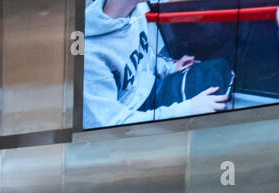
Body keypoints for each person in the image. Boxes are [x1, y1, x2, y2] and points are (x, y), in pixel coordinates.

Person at [84, 0, 232, 128]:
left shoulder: (134, 15)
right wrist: (187, 110)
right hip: (136, 111)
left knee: (219, 68)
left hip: (155, 87)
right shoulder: (89, 54)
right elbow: (111, 124)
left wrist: (170, 68)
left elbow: (145, 55)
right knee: (216, 98)